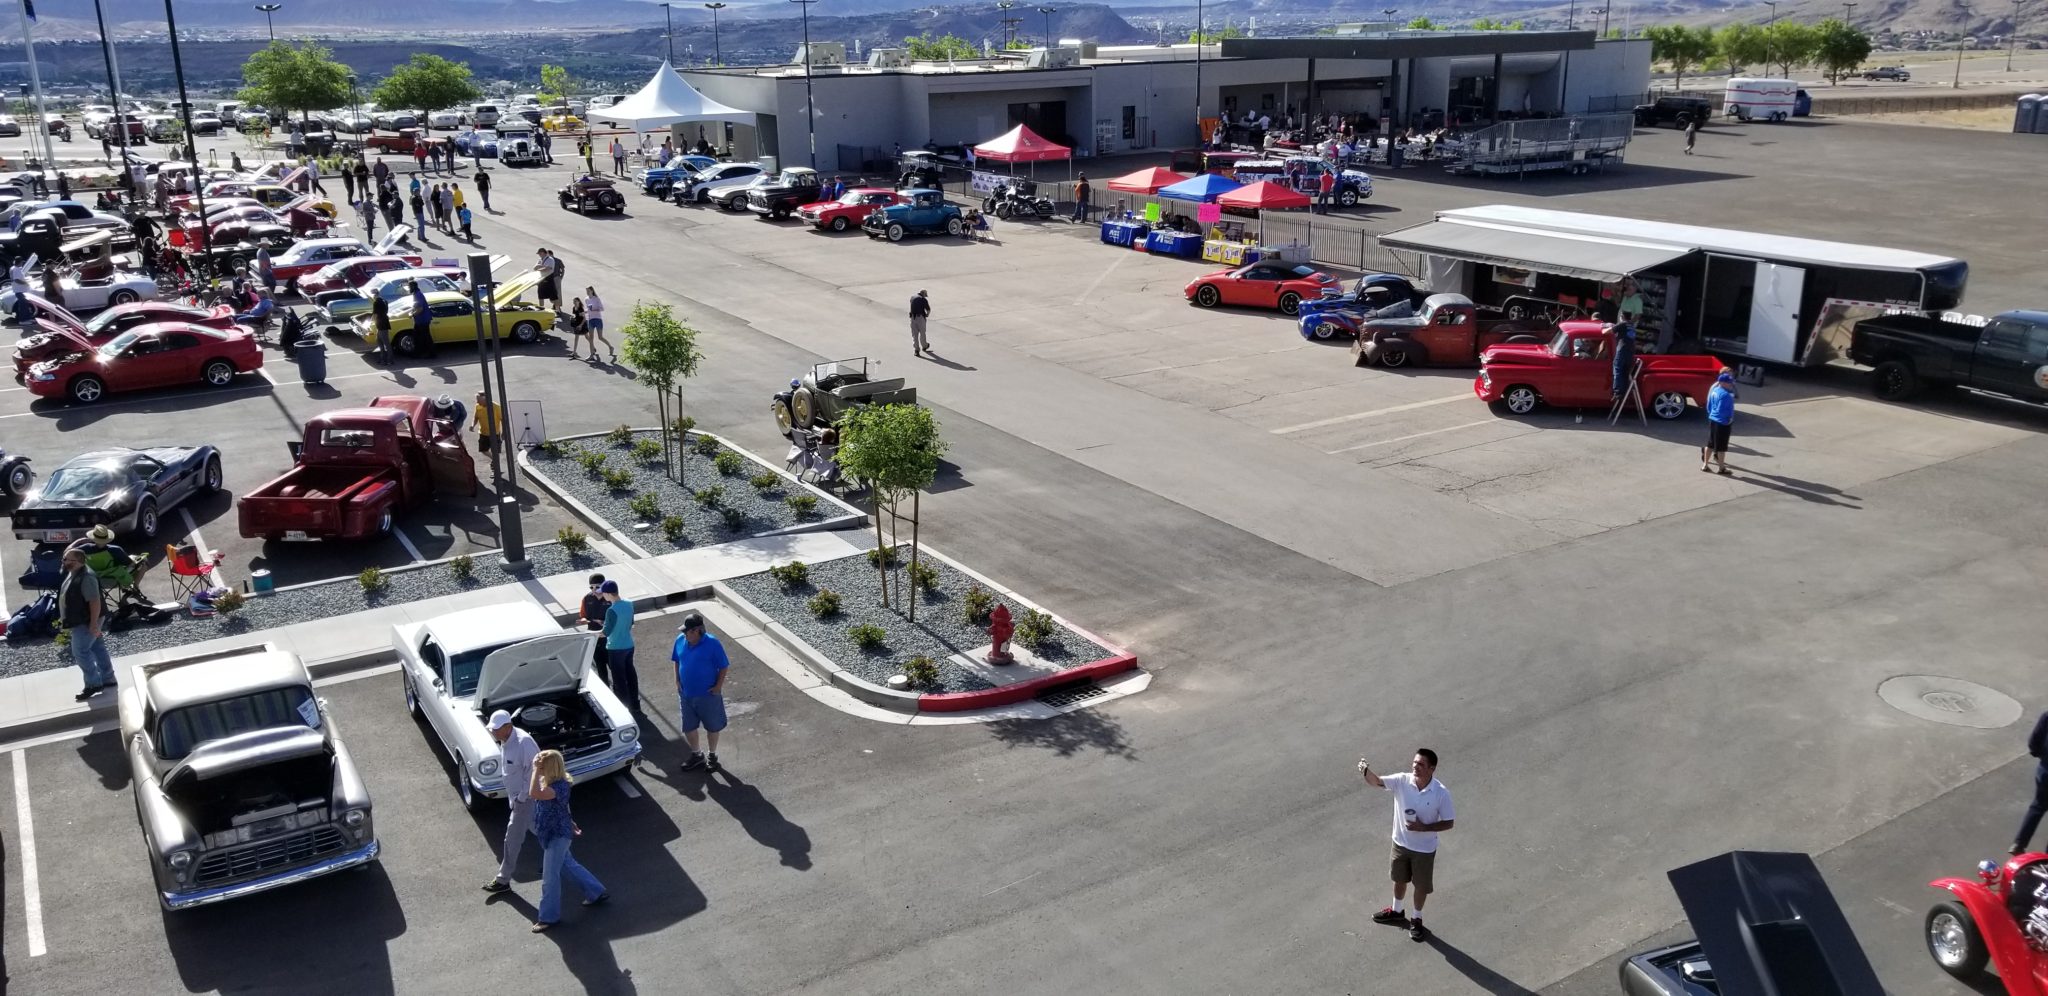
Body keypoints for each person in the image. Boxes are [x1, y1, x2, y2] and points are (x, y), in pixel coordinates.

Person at [1362, 749, 1455, 942]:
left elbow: (1449, 822)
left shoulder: (1441, 793)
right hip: (1400, 843)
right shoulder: (1402, 781)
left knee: (1420, 886)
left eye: (1421, 765)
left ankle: (1416, 918)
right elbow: (1377, 781)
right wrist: (1365, 772)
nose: (1415, 767)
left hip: (1424, 850)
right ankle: (1397, 911)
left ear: (1432, 768)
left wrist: (1424, 827)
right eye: (1414, 763)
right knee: (1399, 879)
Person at [527, 749, 608, 931]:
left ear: (549, 768)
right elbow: (561, 807)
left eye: (541, 765)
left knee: (549, 877)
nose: (538, 767)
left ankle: (548, 917)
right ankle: (596, 892)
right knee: (568, 865)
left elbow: (534, 794)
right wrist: (570, 822)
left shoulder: (557, 787)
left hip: (557, 836)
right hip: (554, 833)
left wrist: (535, 772)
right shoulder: (553, 783)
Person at [480, 709, 541, 894]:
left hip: (526, 800)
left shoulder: (524, 743)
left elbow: (533, 774)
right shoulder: (506, 740)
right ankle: (560, 861)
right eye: (492, 728)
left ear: (508, 727)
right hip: (518, 800)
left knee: (512, 838)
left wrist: (521, 798)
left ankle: (503, 879)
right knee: (544, 832)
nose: (493, 732)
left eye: (496, 729)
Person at [671, 612, 729, 771]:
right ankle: (697, 755)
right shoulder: (680, 640)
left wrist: (718, 687)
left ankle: (712, 756)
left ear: (697, 630)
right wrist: (677, 679)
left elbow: (723, 666)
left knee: (712, 727)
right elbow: (676, 660)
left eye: (687, 631)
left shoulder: (713, 644)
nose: (684, 634)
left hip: (708, 696)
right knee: (688, 727)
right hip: (686, 695)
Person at [59, 547, 116, 701]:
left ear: (78, 562)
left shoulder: (86, 578)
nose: (63, 562)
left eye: (67, 560)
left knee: (81, 651)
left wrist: (93, 624)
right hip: (83, 619)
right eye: (64, 558)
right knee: (97, 647)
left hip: (86, 621)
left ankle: (93, 684)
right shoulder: (75, 573)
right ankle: (108, 678)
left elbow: (95, 602)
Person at [597, 580, 639, 710]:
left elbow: (605, 632)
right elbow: (631, 623)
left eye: (603, 593)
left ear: (609, 594)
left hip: (615, 648)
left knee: (619, 679)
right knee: (630, 674)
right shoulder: (629, 604)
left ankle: (623, 707)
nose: (602, 595)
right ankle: (635, 703)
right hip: (629, 645)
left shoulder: (611, 610)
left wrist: (593, 634)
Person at [2014, 710, 2048, 855]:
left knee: (2037, 807)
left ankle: (2019, 843)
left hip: (2045, 771)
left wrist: (2042, 757)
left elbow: (2033, 743)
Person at [577, 573, 611, 685]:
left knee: (613, 666)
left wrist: (603, 622)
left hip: (608, 638)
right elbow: (583, 615)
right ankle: (606, 689)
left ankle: (620, 692)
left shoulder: (610, 599)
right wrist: (583, 620)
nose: (594, 589)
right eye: (591, 587)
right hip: (594, 638)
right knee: (600, 667)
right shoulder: (587, 599)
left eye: (597, 587)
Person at [1702, 368, 1737, 474]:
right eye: (1729, 383)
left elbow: (1709, 405)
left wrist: (1711, 414)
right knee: (1721, 447)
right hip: (1722, 423)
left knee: (1710, 443)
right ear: (1722, 382)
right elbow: (1724, 411)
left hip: (1712, 419)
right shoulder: (1726, 395)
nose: (1731, 384)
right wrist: (1728, 420)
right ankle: (1721, 468)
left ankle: (1705, 465)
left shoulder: (1715, 391)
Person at [409, 280, 437, 358]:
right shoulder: (416, 293)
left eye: (409, 287)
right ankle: (419, 353)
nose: (408, 289)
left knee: (425, 337)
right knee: (418, 336)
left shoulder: (418, 295)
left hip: (422, 320)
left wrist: (412, 314)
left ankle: (431, 354)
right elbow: (415, 306)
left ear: (413, 287)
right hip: (420, 320)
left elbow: (420, 309)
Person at [1610, 319, 1637, 400]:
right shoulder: (1632, 325)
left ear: (1622, 316)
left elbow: (1608, 331)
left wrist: (1603, 329)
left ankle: (1617, 392)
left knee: (1617, 368)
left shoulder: (1622, 323)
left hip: (1622, 349)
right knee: (1625, 371)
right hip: (1631, 351)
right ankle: (1625, 392)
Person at [583, 286, 613, 360]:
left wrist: (593, 309)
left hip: (598, 319)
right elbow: (588, 309)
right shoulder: (586, 299)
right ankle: (591, 354)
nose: (587, 292)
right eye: (586, 291)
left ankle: (610, 347)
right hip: (590, 319)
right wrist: (585, 311)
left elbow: (602, 308)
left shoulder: (596, 299)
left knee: (600, 337)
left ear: (592, 291)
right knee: (591, 338)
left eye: (588, 291)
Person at [473, 389, 500, 454]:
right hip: (483, 433)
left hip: (494, 433)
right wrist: (472, 425)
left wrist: (504, 432)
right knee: (483, 450)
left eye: (479, 400)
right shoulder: (478, 406)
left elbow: (503, 419)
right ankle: (494, 460)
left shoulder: (496, 407)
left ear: (485, 400)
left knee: (495, 451)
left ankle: (495, 460)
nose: (477, 402)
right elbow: (476, 417)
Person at [370, 292, 392, 364]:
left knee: (386, 342)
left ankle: (389, 360)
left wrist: (370, 322)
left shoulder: (376, 302)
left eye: (373, 295)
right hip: (384, 322)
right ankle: (383, 358)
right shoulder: (385, 301)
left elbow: (375, 314)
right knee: (379, 340)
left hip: (381, 324)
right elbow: (385, 312)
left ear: (375, 295)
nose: (373, 297)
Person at [909, 288, 931, 356]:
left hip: (913, 318)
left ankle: (916, 350)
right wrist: (927, 315)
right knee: (922, 333)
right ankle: (924, 346)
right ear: (923, 294)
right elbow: (928, 310)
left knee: (914, 335)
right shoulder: (923, 299)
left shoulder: (912, 297)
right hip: (920, 318)